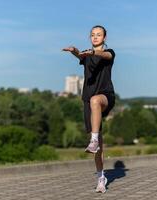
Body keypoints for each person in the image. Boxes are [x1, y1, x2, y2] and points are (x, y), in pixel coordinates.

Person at [62, 25, 116, 193]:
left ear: (104, 38)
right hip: (88, 100)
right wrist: (75, 51)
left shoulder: (109, 53)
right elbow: (81, 56)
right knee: (99, 143)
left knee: (95, 100)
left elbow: (104, 54)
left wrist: (92, 53)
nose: (95, 37)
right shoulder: (86, 54)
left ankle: (92, 140)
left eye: (98, 35)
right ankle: (101, 177)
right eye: (92, 35)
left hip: (105, 96)